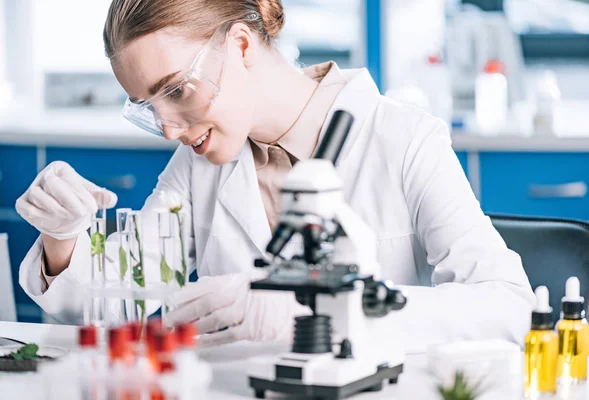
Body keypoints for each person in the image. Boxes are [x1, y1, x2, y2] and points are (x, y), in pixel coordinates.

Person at [15, 0, 534, 351]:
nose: (169, 127)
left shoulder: (403, 139)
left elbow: (505, 306)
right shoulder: (199, 165)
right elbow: (120, 304)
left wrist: (328, 316)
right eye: (147, 109)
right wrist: (62, 238)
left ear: (240, 46)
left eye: (176, 90)